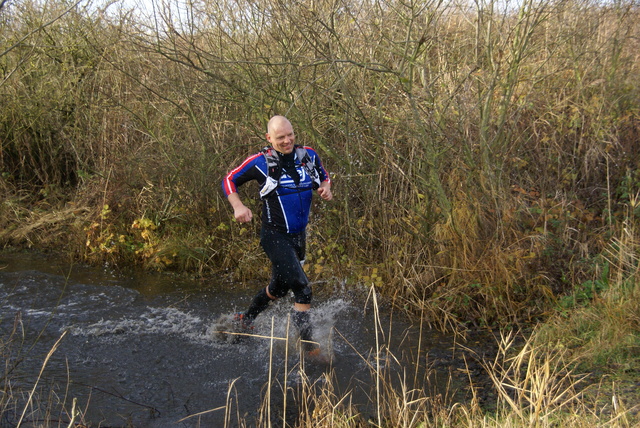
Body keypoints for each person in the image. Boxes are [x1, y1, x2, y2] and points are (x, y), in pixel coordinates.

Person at [221, 115, 333, 352]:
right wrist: (238, 206)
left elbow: (324, 176)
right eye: (280, 137)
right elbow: (229, 179)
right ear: (269, 138)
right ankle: (310, 349)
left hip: (298, 237)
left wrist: (326, 188)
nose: (287, 140)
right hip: (274, 236)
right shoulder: (260, 162)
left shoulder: (308, 156)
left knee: (280, 288)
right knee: (302, 288)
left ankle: (246, 319)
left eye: (290, 134)